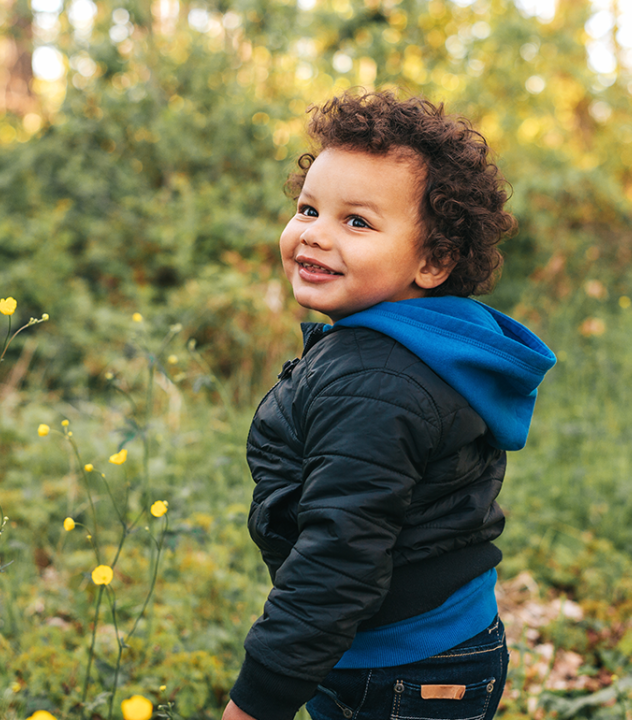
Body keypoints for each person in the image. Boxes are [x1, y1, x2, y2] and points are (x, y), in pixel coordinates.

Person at [223, 90, 556, 720]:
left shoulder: (377, 381)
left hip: (399, 670)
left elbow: (338, 559)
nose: (315, 235)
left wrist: (254, 704)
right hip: (425, 648)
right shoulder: (418, 345)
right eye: (308, 208)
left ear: (432, 260)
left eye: (357, 222)